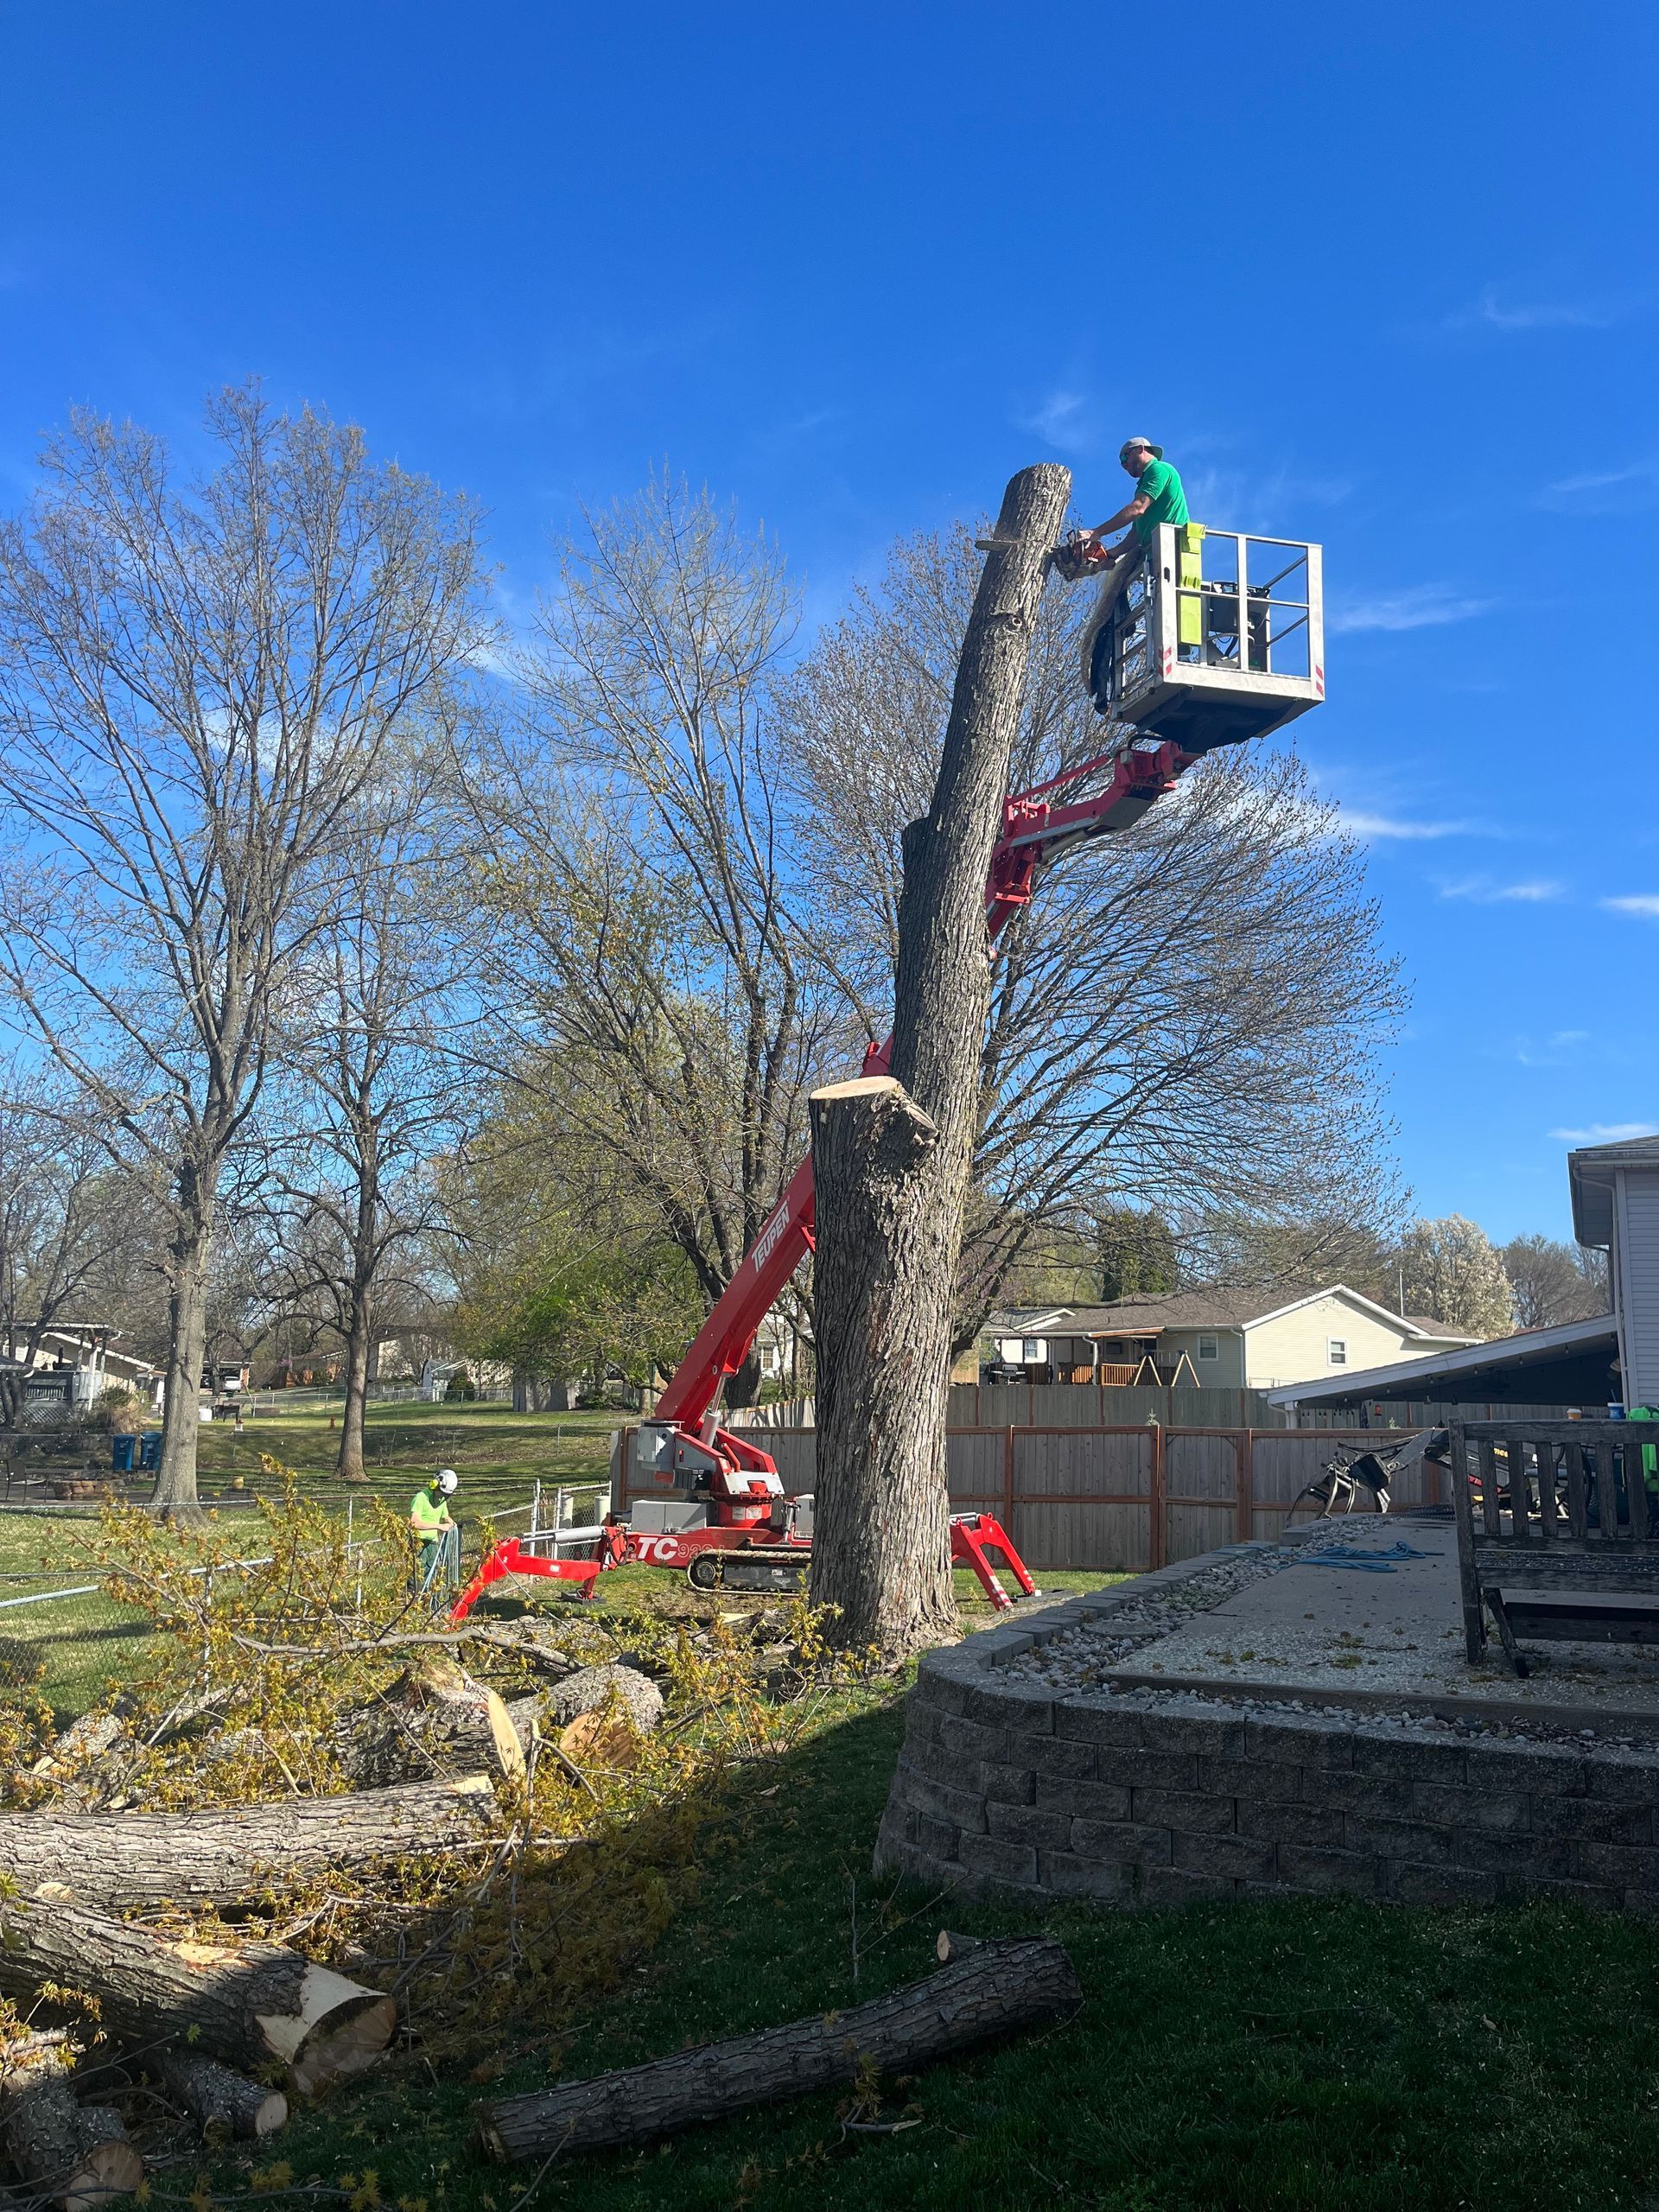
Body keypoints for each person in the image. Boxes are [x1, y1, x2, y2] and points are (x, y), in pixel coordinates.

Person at [1075, 439, 1191, 712]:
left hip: (1173, 547)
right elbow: (1137, 532)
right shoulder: (1144, 485)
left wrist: (1097, 532)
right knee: (1150, 611)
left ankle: (1177, 655)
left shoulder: (1160, 470)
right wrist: (1111, 554)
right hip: (1154, 552)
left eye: (1125, 459)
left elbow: (1138, 509)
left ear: (1140, 450)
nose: (1125, 467)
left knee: (1169, 609)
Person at [410, 1467, 461, 1593]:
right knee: (416, 1576)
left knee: (431, 1574)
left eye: (446, 1495)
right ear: (435, 1485)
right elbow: (414, 1523)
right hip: (419, 1541)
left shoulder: (441, 1501)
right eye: (442, 1493)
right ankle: (412, 1603)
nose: (443, 1497)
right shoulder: (421, 1498)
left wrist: (450, 1521)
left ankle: (427, 1604)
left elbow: (444, 1515)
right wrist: (438, 1526)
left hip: (433, 1542)